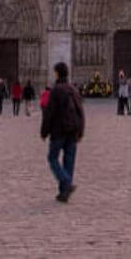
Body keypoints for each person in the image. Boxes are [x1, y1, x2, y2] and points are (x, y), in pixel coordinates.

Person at [40, 61, 85, 202]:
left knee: (52, 158)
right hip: (73, 131)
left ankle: (67, 183)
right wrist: (81, 131)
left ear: (57, 73)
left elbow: (49, 113)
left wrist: (44, 132)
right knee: (69, 162)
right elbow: (81, 111)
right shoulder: (73, 89)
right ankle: (64, 193)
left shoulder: (56, 90)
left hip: (59, 131)